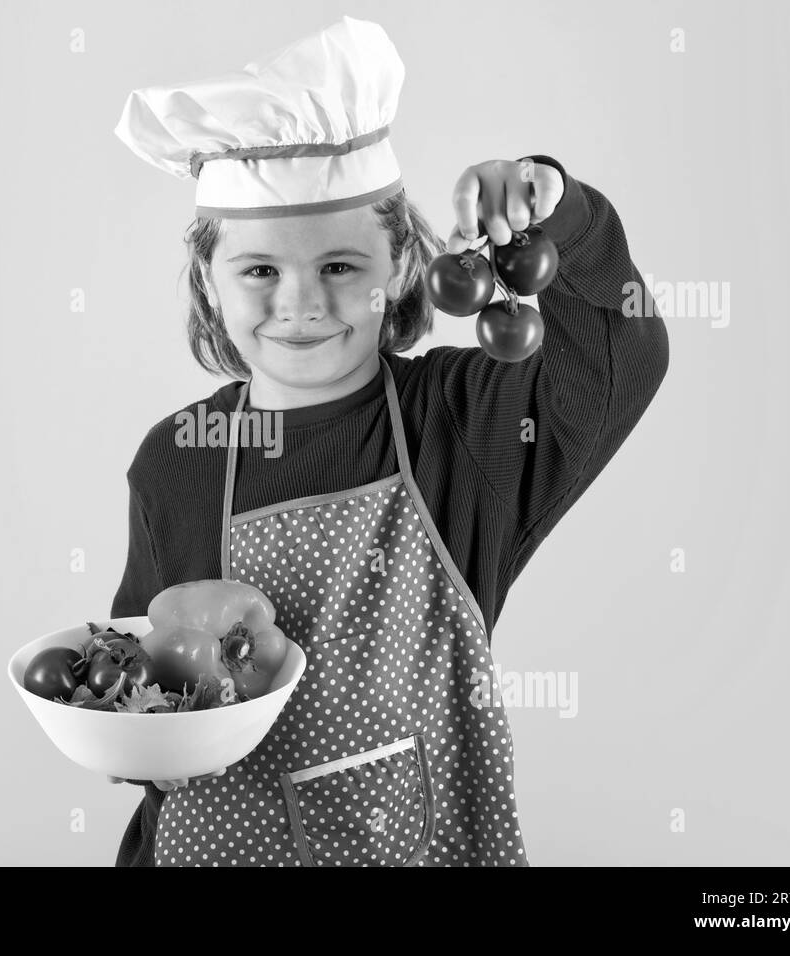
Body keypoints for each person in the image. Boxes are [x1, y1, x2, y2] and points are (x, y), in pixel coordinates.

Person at [106, 16, 668, 866]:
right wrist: (125, 739)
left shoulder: (464, 423)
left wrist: (558, 210)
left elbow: (623, 354)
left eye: (340, 266)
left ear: (403, 266)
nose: (300, 303)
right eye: (259, 270)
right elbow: (137, 673)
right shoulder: (176, 457)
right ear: (207, 282)